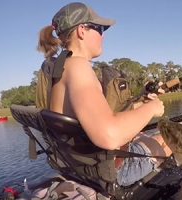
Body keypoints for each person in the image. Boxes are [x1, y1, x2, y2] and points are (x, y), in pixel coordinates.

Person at [36, 2, 172, 187]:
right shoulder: (78, 66)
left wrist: (141, 100)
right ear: (82, 30)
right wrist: (152, 108)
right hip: (108, 171)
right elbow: (110, 135)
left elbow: (92, 117)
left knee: (141, 136)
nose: (103, 35)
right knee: (170, 138)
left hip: (77, 166)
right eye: (99, 28)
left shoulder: (55, 68)